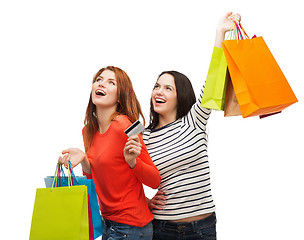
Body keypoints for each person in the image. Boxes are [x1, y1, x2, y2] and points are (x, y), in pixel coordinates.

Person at [144, 12, 241, 239]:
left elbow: (213, 82)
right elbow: (122, 175)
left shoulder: (194, 122)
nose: (159, 91)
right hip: (163, 228)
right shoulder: (145, 137)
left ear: (181, 96)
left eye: (168, 88)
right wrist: (144, 200)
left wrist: (220, 34)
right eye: (157, 86)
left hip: (203, 228)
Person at [58, 66, 161, 240]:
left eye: (111, 82)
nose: (102, 84)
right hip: (107, 223)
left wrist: (133, 162)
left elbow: (154, 180)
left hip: (131, 226)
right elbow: (97, 181)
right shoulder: (88, 131)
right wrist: (84, 160)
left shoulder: (123, 126)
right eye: (99, 79)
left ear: (120, 96)